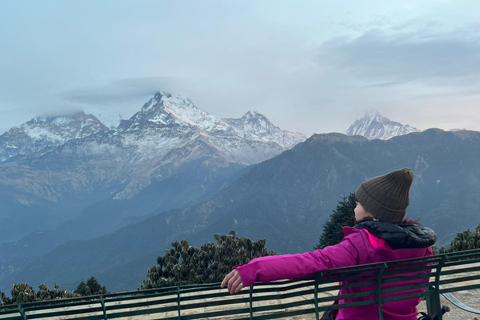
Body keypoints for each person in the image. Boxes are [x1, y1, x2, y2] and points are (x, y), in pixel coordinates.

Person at [221, 168, 437, 320]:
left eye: (358, 203)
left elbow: (313, 262)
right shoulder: (422, 246)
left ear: (372, 211)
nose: (354, 208)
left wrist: (254, 268)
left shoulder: (361, 245)